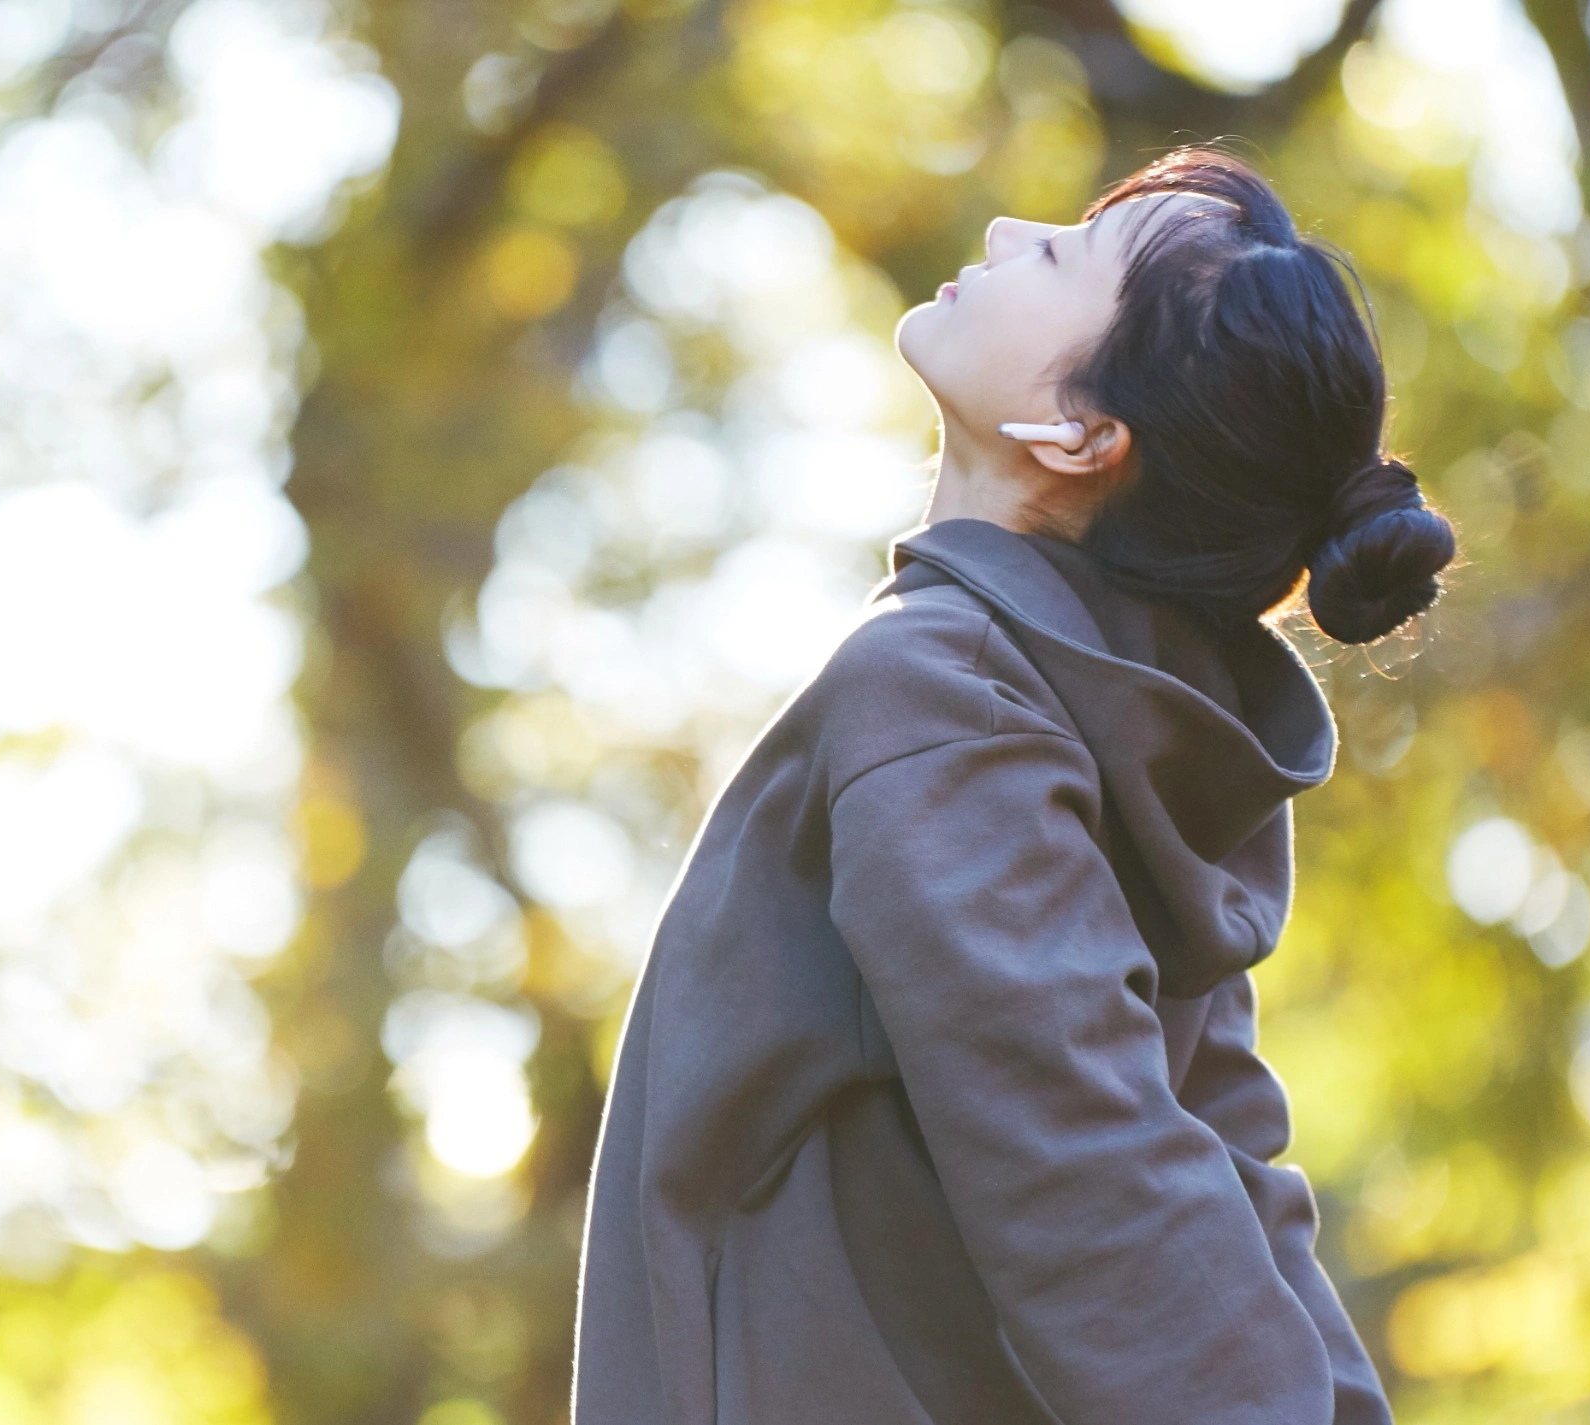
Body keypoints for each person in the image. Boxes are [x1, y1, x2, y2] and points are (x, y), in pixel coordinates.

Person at [569, 143, 1457, 1425]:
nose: (996, 229)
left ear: (1082, 431)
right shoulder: (1109, 733)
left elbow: (1097, 1177)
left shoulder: (942, 694)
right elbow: (1222, 1182)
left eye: (1056, 256)